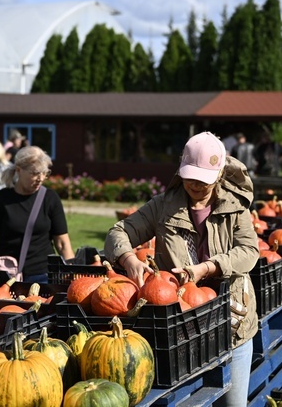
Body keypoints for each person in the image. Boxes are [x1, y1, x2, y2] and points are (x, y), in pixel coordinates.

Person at [104, 132, 259, 407]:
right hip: (179, 330)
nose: (196, 184)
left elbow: (249, 252)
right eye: (190, 177)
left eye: (203, 179)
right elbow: (119, 232)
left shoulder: (236, 207)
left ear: (219, 172)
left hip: (231, 320)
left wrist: (209, 267)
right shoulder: (163, 206)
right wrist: (128, 259)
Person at [0, 145, 75, 284]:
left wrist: (71, 273)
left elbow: (62, 243)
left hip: (43, 274)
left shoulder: (50, 198)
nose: (40, 178)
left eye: (44, 173)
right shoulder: (0, 200)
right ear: (19, 170)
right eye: (34, 173)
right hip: (6, 274)